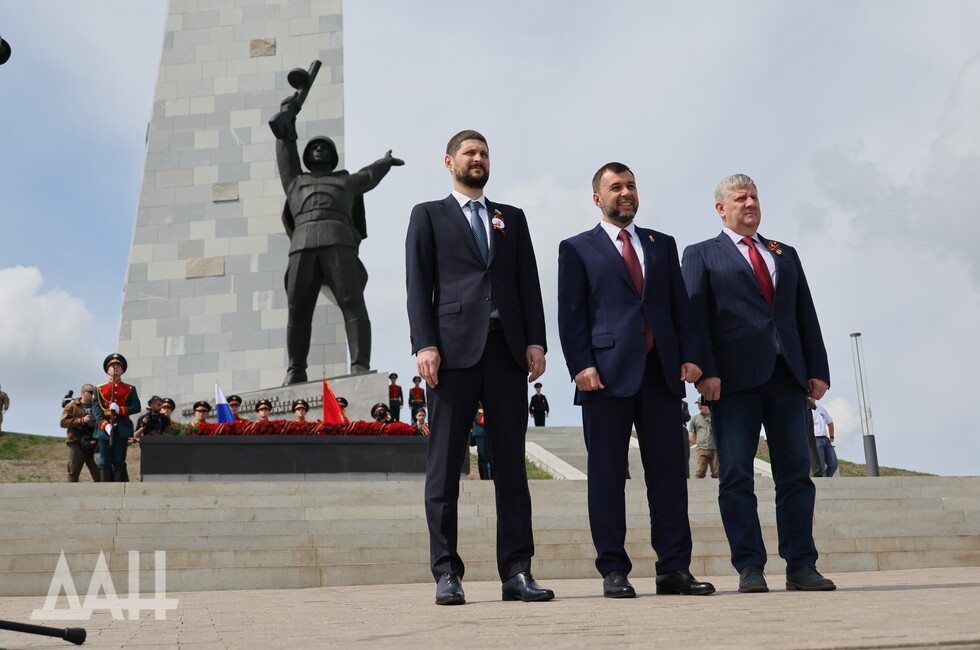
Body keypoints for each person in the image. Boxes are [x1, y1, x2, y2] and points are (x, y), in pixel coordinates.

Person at [405, 129, 552, 605]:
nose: (478, 158)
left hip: (506, 353)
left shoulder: (512, 218)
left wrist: (536, 341)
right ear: (448, 161)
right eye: (469, 152)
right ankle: (447, 572)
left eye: (484, 153)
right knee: (445, 467)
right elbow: (417, 285)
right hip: (451, 355)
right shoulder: (428, 215)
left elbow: (528, 281)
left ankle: (517, 572)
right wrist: (424, 344)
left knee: (511, 466)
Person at [557, 161, 713, 599]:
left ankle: (674, 569)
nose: (625, 193)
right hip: (603, 378)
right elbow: (571, 315)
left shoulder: (661, 245)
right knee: (607, 477)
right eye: (615, 187)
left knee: (669, 476)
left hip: (661, 375)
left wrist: (692, 358)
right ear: (597, 198)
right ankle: (613, 568)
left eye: (630, 185)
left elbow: (679, 307)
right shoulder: (577, 248)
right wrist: (580, 365)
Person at [682, 173, 836, 593]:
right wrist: (704, 373)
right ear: (721, 208)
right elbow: (695, 320)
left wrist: (817, 368)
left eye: (754, 196)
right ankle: (749, 566)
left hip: (787, 378)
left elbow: (805, 314)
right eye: (740, 197)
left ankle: (801, 565)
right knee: (734, 476)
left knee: (795, 476)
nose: (750, 203)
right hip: (732, 382)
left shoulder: (783, 253)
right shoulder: (700, 254)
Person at [272, 89, 404, 383]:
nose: (319, 150)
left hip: (338, 240)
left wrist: (384, 163)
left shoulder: (345, 180)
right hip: (303, 244)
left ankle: (359, 365)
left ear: (332, 156)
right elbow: (285, 144)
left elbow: (368, 177)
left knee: (353, 302)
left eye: (324, 147)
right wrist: (287, 114)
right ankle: (295, 370)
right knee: (298, 310)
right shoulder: (295, 181)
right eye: (314, 148)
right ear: (307, 156)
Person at [92, 353, 141, 482]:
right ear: (107, 370)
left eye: (118, 366)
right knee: (104, 460)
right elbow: (96, 409)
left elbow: (136, 407)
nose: (115, 368)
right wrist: (104, 424)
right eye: (112, 366)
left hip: (122, 427)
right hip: (104, 428)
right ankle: (106, 487)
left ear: (122, 370)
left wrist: (121, 410)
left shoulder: (129, 389)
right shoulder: (99, 388)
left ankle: (118, 486)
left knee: (119, 460)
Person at [59, 383, 100, 482]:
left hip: (94, 441)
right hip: (76, 441)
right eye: (91, 392)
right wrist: (81, 420)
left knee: (98, 472)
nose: (93, 395)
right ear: (83, 392)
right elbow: (63, 422)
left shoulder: (98, 406)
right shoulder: (72, 406)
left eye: (95, 393)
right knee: (74, 471)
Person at [689, 397, 719, 479]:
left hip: (716, 449)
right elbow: (691, 434)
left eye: (701, 403)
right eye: (698, 404)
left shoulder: (716, 416)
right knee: (699, 473)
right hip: (701, 449)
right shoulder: (695, 418)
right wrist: (698, 443)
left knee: (717, 473)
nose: (699, 405)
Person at [811, 397, 838, 477]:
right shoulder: (806, 410)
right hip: (816, 440)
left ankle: (827, 480)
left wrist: (832, 436)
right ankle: (824, 482)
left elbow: (830, 423)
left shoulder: (821, 409)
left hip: (825, 439)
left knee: (833, 464)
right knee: (820, 467)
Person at [470, 406, 492, 480]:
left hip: (493, 432)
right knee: (483, 458)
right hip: (480, 431)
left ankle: (492, 477)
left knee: (493, 458)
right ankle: (485, 478)